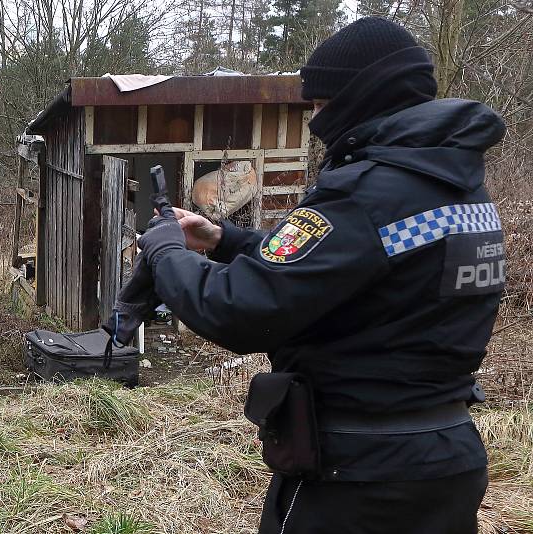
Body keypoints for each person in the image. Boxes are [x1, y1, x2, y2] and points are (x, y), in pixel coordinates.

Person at [135, 17, 505, 533]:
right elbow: (357, 265)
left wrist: (164, 250)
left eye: (319, 103)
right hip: (445, 458)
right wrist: (225, 240)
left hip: (357, 478)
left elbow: (240, 308)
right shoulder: (457, 188)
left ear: (357, 98)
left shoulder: (363, 191)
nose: (313, 118)